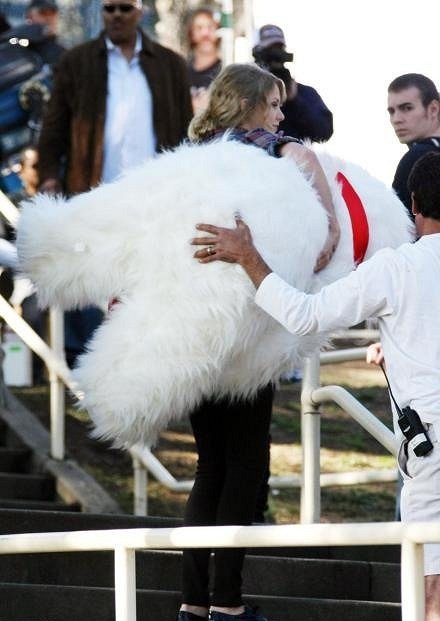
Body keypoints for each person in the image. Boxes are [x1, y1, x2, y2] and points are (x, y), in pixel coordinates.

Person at [191, 150, 440, 621]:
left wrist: (248, 257)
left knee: (430, 590)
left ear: (414, 206)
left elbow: (305, 316)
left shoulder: (396, 268)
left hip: (430, 444)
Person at [177, 63, 339, 621]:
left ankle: (194, 604)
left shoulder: (190, 158)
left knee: (210, 466)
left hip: (198, 327)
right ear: (247, 104)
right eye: (272, 103)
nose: (280, 113)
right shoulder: (279, 155)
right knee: (245, 465)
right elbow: (325, 234)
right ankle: (227, 604)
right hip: (250, 328)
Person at [37, 0, 192, 366]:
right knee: (92, 280)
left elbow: (187, 130)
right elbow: (54, 125)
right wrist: (48, 175)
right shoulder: (77, 61)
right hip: (94, 191)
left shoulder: (170, 65)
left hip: (156, 196)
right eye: (109, 8)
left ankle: (143, 364)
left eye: (125, 7)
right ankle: (85, 366)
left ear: (140, 11)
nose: (117, 15)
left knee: (148, 280)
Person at [252, 24, 333, 143]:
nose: (276, 57)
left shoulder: (303, 93)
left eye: (279, 50)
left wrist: (294, 101)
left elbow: (323, 132)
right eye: (270, 52)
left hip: (293, 157)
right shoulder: (247, 91)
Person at [388, 73, 440, 220]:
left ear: (433, 109)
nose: (396, 119)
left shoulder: (417, 157)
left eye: (407, 108)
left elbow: (399, 228)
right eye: (391, 111)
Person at [185, 7, 222, 114]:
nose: (205, 34)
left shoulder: (226, 70)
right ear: (191, 33)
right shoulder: (181, 72)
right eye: (199, 28)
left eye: (210, 27)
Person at [25, 0, 65, 67]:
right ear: (29, 16)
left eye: (53, 13)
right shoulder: (16, 44)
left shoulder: (62, 53)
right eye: (43, 13)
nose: (49, 18)